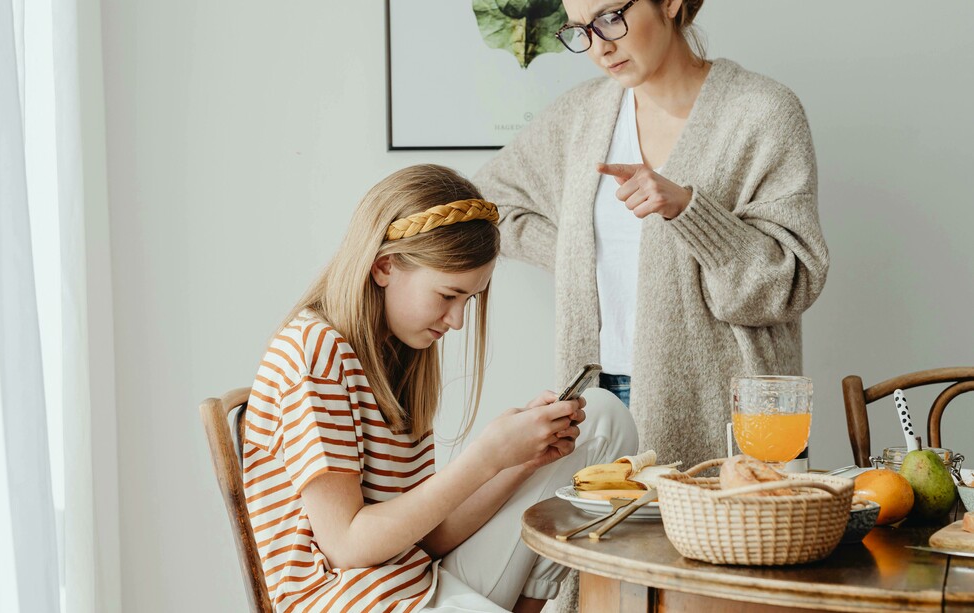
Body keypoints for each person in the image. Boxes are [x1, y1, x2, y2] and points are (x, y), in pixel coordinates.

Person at [243, 164, 638, 613]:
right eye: (448, 295)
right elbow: (347, 548)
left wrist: (519, 462)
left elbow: (427, 538)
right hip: (345, 599)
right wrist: (485, 457)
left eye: (469, 299)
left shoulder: (399, 354)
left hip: (414, 577)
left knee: (604, 417)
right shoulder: (314, 351)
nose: (457, 320)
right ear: (385, 266)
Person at [474, 0, 828, 470]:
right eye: (580, 29)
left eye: (609, 17)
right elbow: (487, 202)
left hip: (722, 406)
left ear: (669, 3)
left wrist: (688, 209)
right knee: (596, 540)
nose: (599, 46)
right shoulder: (582, 116)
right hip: (598, 400)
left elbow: (788, 284)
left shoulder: (762, 112)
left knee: (714, 543)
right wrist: (578, 256)